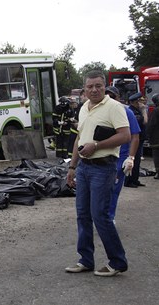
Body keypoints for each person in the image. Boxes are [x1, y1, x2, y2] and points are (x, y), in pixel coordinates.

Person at [66, 70, 130, 277]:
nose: (94, 90)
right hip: (84, 168)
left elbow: (125, 135)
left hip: (103, 168)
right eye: (90, 86)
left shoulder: (114, 107)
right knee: (83, 215)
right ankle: (85, 260)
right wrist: (72, 167)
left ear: (105, 86)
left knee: (99, 216)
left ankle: (118, 261)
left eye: (98, 86)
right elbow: (78, 139)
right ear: (84, 89)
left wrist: (97, 145)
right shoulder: (84, 108)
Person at [104, 86, 140, 222]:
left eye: (112, 97)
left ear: (118, 98)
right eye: (106, 96)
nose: (109, 100)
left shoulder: (127, 112)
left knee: (113, 188)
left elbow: (135, 136)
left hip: (120, 158)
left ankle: (110, 216)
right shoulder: (100, 111)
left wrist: (131, 158)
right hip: (103, 157)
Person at [124, 92, 146, 188]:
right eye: (139, 101)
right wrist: (144, 110)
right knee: (132, 160)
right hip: (134, 140)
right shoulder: (132, 112)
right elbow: (145, 121)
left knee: (137, 161)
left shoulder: (136, 111)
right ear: (135, 102)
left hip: (140, 139)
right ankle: (128, 181)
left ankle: (135, 179)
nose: (141, 103)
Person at [146, 93, 159, 180]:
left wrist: (147, 134)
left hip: (156, 138)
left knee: (157, 155)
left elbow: (151, 124)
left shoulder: (156, 111)